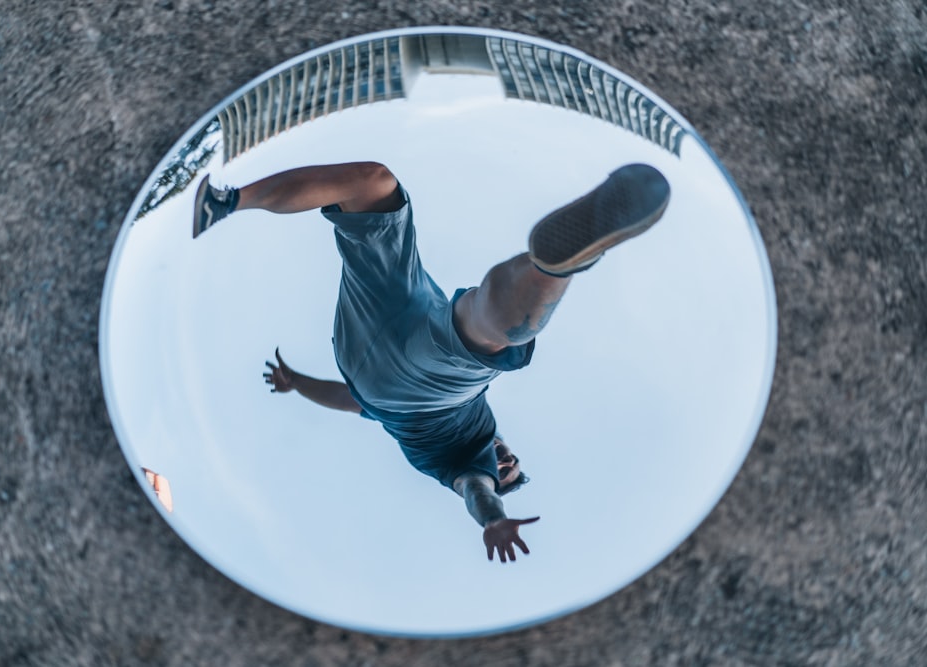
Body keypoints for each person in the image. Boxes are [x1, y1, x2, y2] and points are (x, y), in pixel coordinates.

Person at [191, 161, 670, 562]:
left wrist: (494, 517)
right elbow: (349, 401)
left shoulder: (459, 468)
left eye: (505, 471)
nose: (505, 459)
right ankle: (224, 203)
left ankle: (554, 266)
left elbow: (476, 491)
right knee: (373, 185)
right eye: (513, 459)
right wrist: (297, 382)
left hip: (422, 391)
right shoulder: (424, 442)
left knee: (484, 345)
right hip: (381, 343)